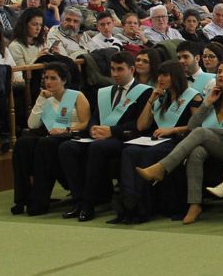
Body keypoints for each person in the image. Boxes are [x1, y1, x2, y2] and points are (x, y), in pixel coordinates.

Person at [135, 59, 223, 224]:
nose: (221, 75)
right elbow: (191, 125)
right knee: (196, 152)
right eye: (219, 72)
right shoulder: (213, 98)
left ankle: (162, 168)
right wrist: (207, 103)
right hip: (214, 143)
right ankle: (195, 204)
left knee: (200, 133)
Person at [57, 50, 153, 222]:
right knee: (67, 147)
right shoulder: (104, 91)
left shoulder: (144, 92)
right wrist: (93, 128)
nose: (115, 74)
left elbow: (140, 124)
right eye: (112, 69)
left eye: (120, 69)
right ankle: (77, 200)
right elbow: (95, 116)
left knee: (98, 147)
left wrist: (112, 131)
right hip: (101, 136)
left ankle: (89, 203)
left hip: (125, 138)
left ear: (132, 70)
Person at [118, 62, 202, 224]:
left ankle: (145, 207)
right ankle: (130, 201)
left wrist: (173, 130)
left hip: (179, 139)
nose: (160, 79)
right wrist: (151, 100)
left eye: (165, 75)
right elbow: (141, 126)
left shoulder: (193, 96)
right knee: (129, 151)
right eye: (159, 75)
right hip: (157, 139)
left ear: (175, 76)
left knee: (150, 153)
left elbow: (196, 126)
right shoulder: (161, 96)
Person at [10, 62, 90, 215]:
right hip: (50, 137)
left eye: (53, 78)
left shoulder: (76, 96)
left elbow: (85, 123)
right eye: (46, 78)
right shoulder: (45, 99)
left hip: (71, 135)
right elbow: (32, 125)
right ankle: (21, 199)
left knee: (44, 144)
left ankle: (39, 201)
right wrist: (40, 100)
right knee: (23, 143)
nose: (48, 82)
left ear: (63, 80)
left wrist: (66, 129)